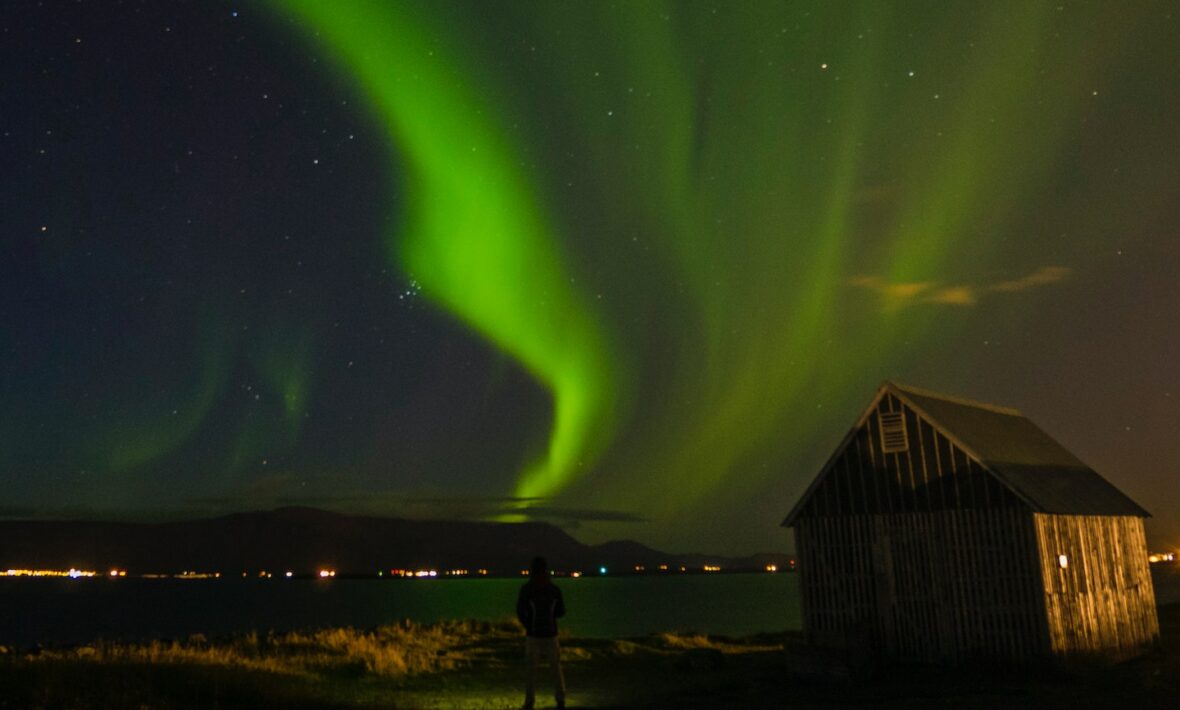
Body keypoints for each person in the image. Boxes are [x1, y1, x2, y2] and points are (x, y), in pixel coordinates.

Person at [516, 556, 566, 709]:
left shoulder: (527, 589)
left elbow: (520, 610)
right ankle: (560, 699)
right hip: (551, 634)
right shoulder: (554, 589)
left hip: (533, 635)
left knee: (531, 670)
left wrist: (528, 625)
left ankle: (529, 701)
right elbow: (561, 611)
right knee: (556, 668)